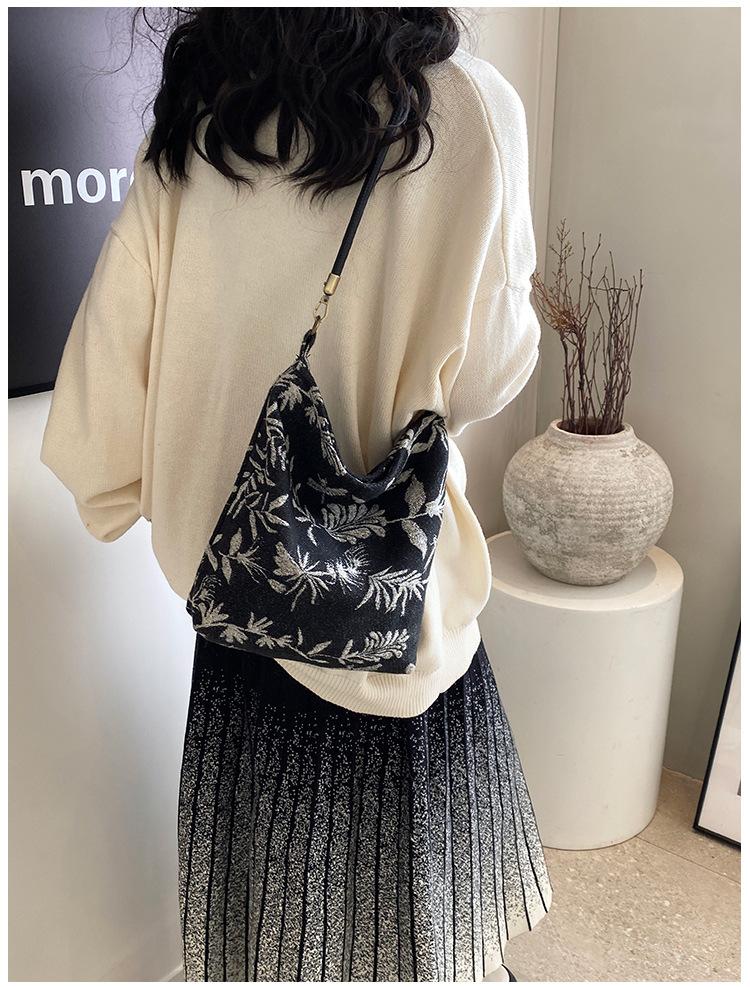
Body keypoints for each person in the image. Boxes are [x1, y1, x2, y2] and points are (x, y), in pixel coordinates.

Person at [41, 9, 551, 983]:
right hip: (394, 625)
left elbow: (102, 418)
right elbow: (489, 370)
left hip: (248, 623)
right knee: (415, 944)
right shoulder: (474, 109)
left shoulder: (202, 121)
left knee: (269, 942)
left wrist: (141, 484)